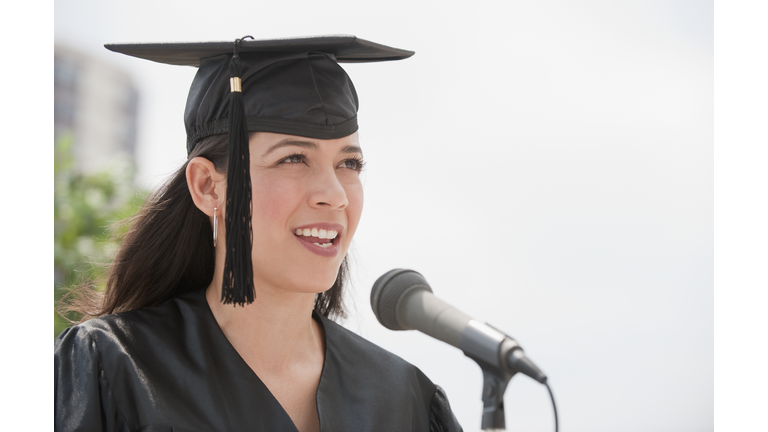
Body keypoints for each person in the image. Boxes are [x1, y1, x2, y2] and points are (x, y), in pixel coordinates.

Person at [54, 35, 463, 432]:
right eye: (294, 158)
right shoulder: (113, 368)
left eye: (350, 164)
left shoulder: (403, 399)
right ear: (208, 187)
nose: (334, 195)